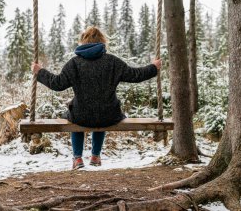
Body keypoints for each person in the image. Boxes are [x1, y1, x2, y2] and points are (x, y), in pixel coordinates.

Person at [31, 26, 161, 169]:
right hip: (109, 115)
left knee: (74, 117)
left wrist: (40, 72)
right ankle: (95, 156)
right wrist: (153, 68)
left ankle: (78, 159)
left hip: (81, 115)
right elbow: (136, 75)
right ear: (102, 42)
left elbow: (57, 84)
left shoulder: (74, 63)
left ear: (83, 42)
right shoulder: (112, 62)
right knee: (102, 113)